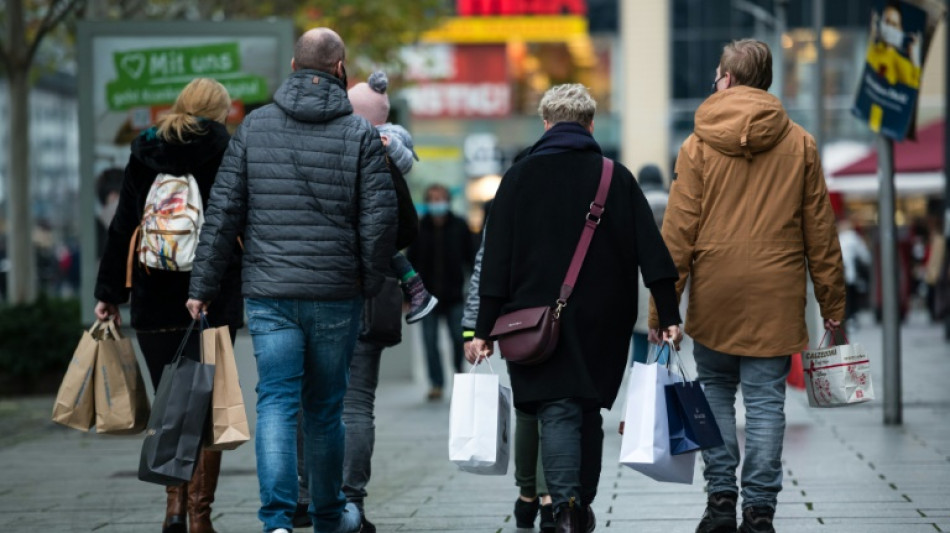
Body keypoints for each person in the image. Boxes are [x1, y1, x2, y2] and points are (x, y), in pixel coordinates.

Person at [186, 28, 397, 533]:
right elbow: (379, 222)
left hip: (269, 294)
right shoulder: (360, 135)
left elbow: (223, 213)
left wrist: (202, 286)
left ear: (292, 64)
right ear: (340, 67)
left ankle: (278, 521)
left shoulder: (254, 129)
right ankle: (327, 515)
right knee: (325, 408)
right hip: (335, 293)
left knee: (277, 402)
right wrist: (365, 282)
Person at [650, 39, 845, 533]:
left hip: (716, 292)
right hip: (777, 294)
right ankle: (758, 509)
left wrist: (663, 310)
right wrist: (832, 302)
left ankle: (720, 500)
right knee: (765, 404)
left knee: (714, 392)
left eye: (718, 74)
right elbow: (819, 229)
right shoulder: (799, 142)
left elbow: (678, 231)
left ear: (730, 80)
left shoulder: (696, 145)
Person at [470, 83, 683, 532]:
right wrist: (668, 314)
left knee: (558, 406)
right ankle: (576, 507)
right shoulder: (614, 176)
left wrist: (482, 329)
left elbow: (496, 260)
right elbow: (653, 251)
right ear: (588, 124)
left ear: (546, 123)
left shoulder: (517, 178)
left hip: (531, 321)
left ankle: (564, 509)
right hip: (603, 320)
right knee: (584, 410)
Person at [93, 77, 244, 533]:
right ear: (219, 111)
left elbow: (123, 226)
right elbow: (237, 220)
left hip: (154, 296)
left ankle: (174, 508)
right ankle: (200, 517)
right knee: (208, 403)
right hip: (211, 297)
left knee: (171, 404)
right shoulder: (226, 150)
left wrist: (108, 295)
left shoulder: (146, 150)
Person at [293, 70, 422, 533]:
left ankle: (306, 497)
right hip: (364, 294)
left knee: (308, 398)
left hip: (307, 289)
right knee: (355, 404)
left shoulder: (309, 145)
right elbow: (407, 228)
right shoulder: (382, 155)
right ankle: (350, 503)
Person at [463, 204, 556, 532]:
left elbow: (486, 267)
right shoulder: (576, 191)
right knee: (554, 409)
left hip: (518, 322)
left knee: (529, 408)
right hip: (564, 317)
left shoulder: (512, 200)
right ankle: (547, 501)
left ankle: (527, 497)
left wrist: (475, 329)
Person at [347, 70, 437, 323]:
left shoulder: (378, 143)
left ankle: (416, 288)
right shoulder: (383, 140)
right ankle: (416, 288)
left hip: (377, 223)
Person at [407, 184, 476, 401]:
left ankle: (459, 372)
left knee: (459, 337)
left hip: (455, 296)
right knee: (429, 342)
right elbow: (410, 263)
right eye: (433, 199)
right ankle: (436, 383)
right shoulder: (419, 228)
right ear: (428, 202)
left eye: (441, 198)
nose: (437, 203)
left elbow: (472, 259)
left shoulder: (460, 225)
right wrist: (407, 296)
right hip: (427, 298)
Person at [631, 164, 670, 365]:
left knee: (638, 339)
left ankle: (637, 388)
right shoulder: (673, 201)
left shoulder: (634, 201)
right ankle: (662, 383)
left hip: (639, 278)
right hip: (668, 277)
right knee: (666, 337)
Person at [838, 219, 872, 330]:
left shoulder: (839, 237)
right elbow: (864, 255)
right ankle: (851, 319)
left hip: (839, 274)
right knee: (851, 298)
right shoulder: (854, 238)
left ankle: (845, 319)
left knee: (844, 299)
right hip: (851, 274)